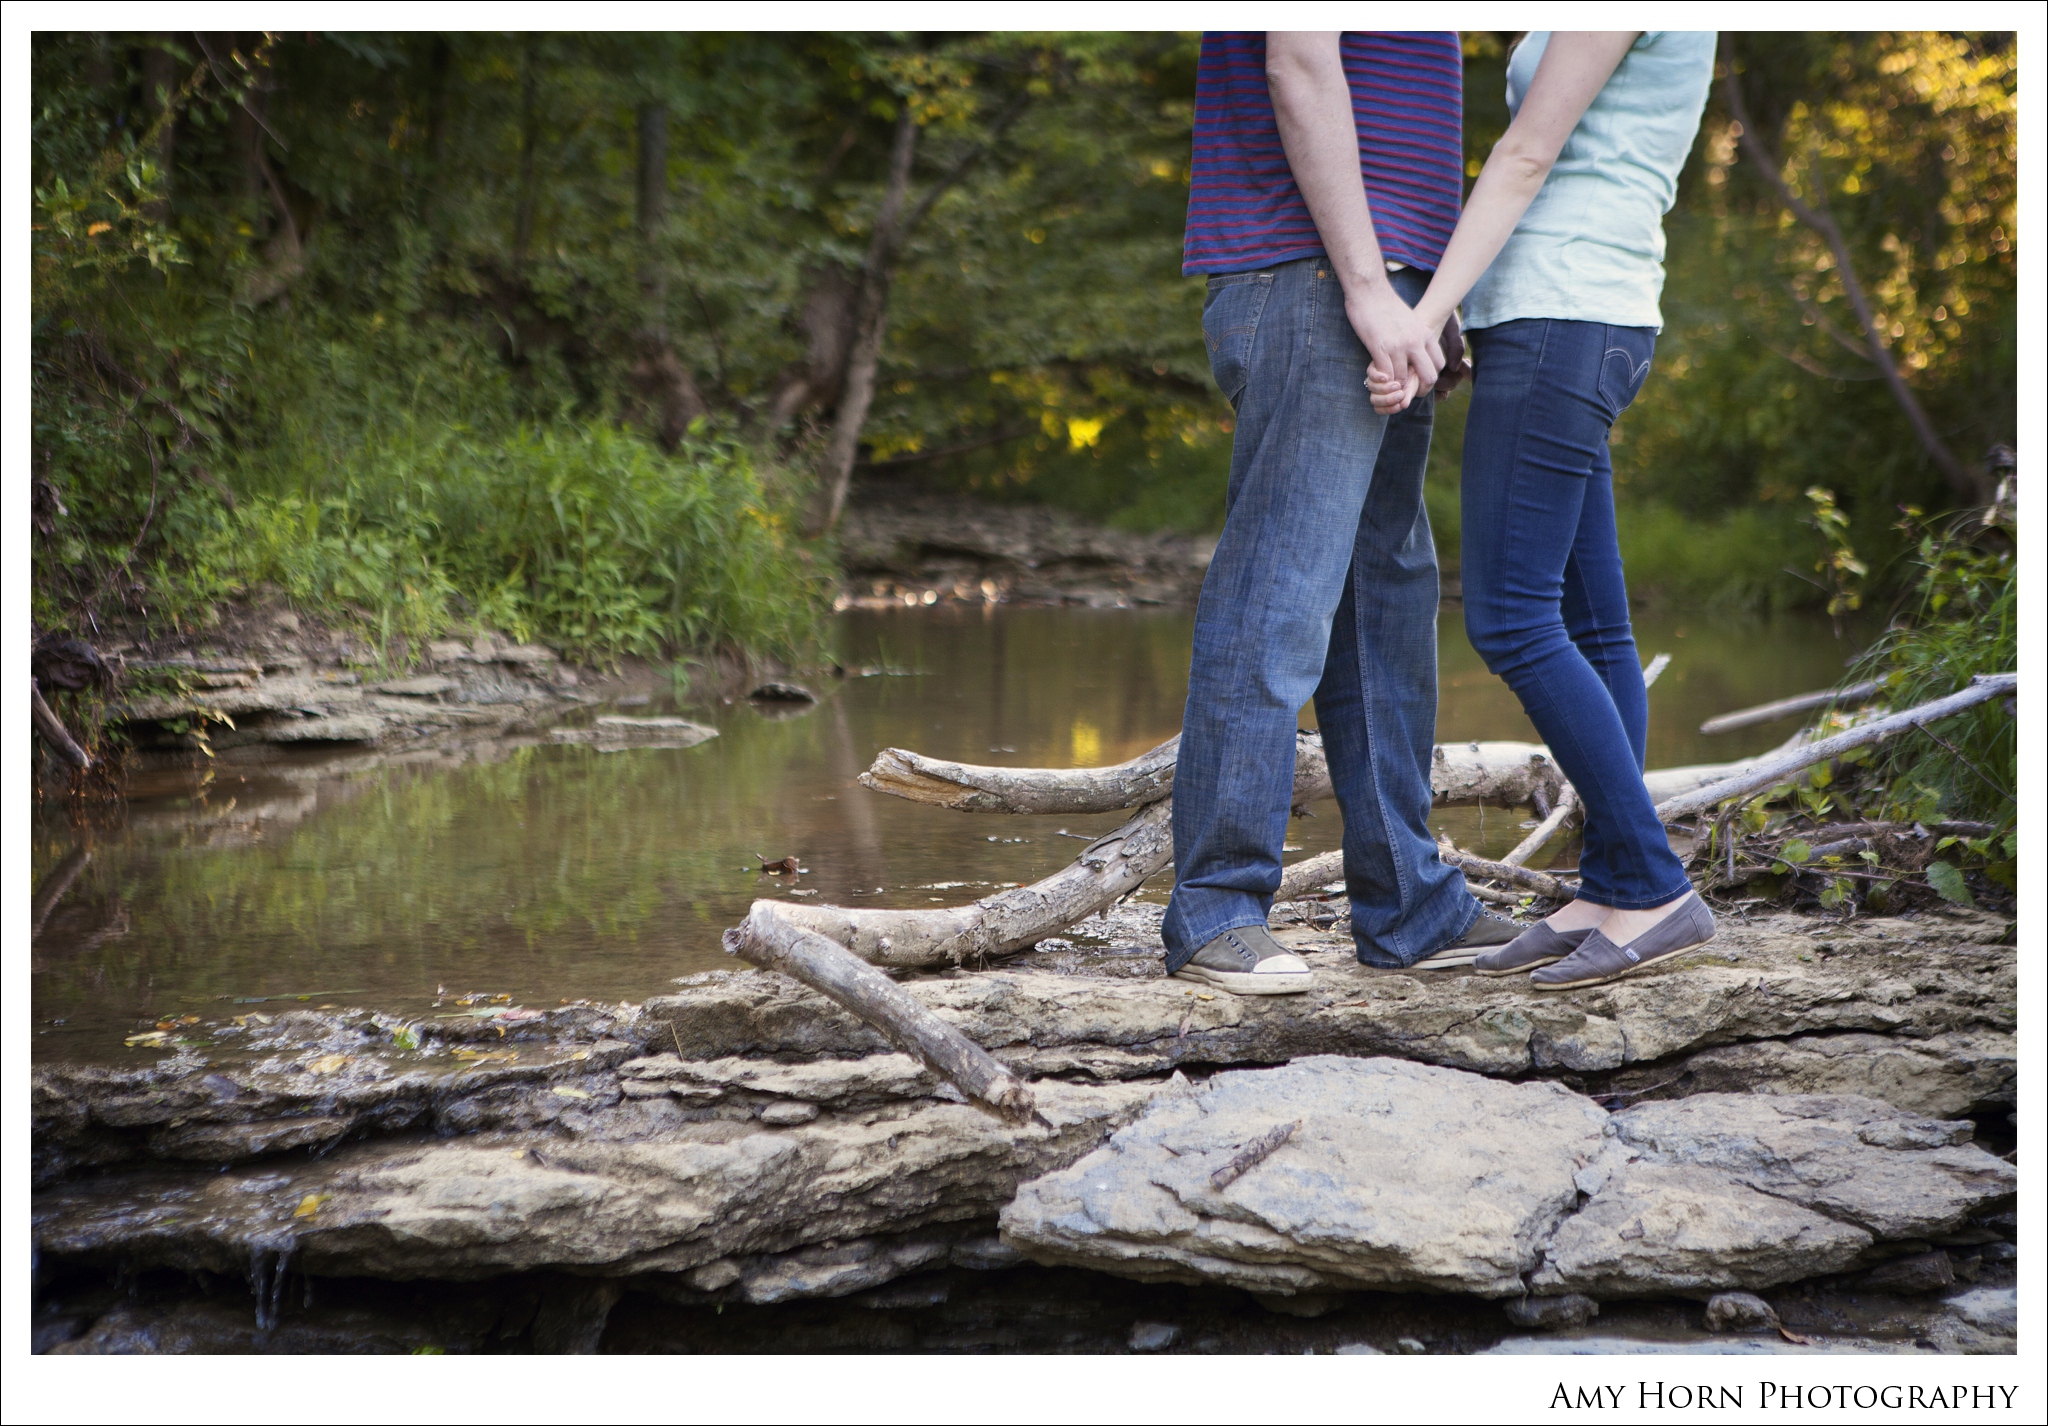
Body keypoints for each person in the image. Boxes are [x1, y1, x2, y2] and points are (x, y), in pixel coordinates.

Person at [1166, 31, 1528, 996]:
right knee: (1280, 589)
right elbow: (1298, 60)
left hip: (1381, 276)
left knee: (1387, 598)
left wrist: (1423, 289)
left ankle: (1410, 904)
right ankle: (1216, 908)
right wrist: (1371, 288)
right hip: (1312, 272)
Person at [1367, 31, 1719, 989]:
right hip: (1582, 312)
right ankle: (1609, 886)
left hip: (1564, 314)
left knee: (1512, 618)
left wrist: (1428, 311)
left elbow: (1526, 152)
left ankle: (1651, 880)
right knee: (1592, 625)